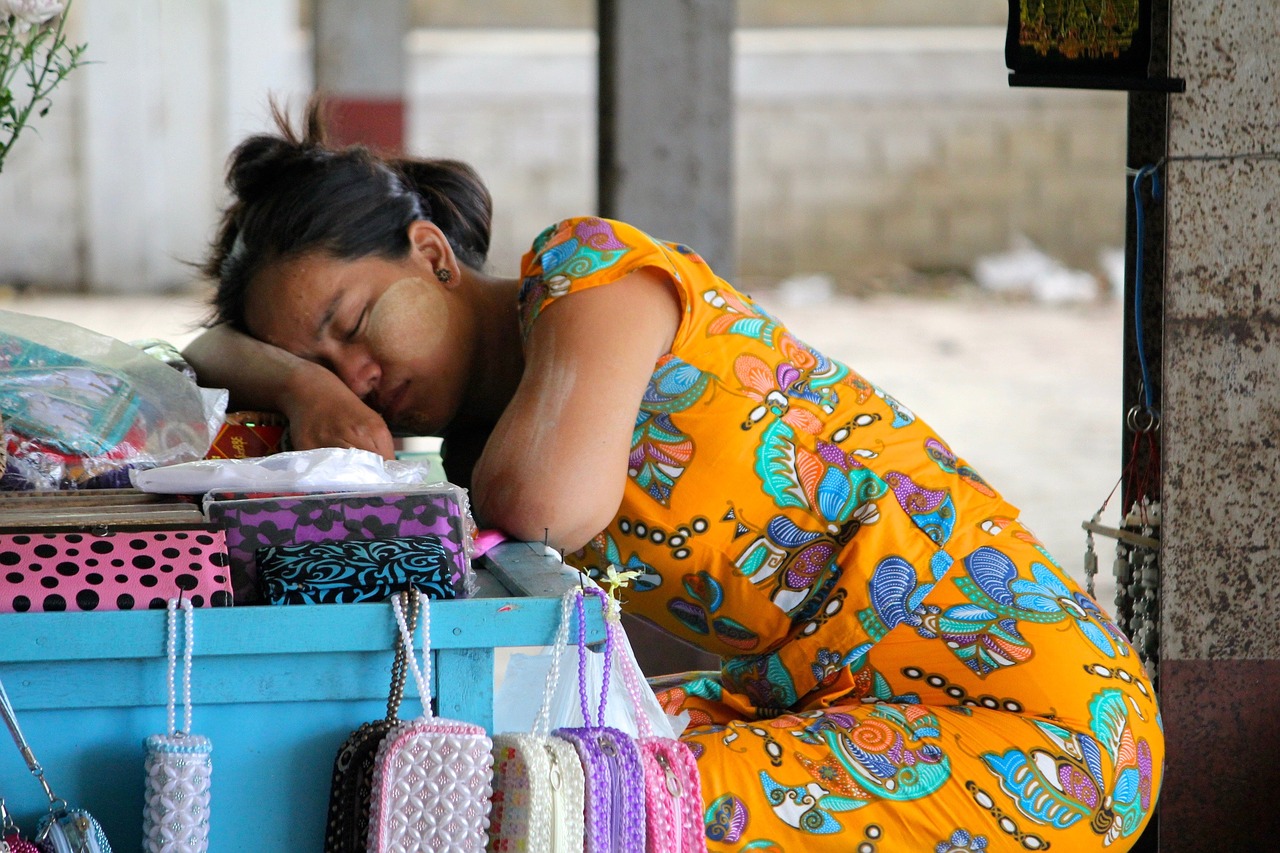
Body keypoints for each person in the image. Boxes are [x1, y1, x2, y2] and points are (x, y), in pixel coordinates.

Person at [184, 101, 1163, 852]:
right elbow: (196, 355)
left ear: (432, 253)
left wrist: (308, 382)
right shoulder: (473, 447)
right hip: (827, 696)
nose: (354, 375)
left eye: (352, 326)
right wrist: (287, 379)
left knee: (578, 809)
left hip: (1038, 724)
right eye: (321, 363)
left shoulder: (588, 275)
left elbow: (543, 504)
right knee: (516, 769)